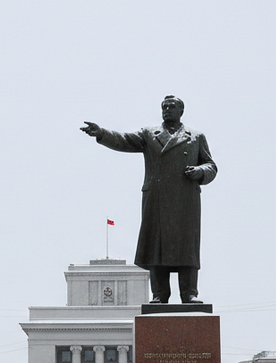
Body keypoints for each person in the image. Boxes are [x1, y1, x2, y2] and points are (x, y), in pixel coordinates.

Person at [80, 95, 217, 303]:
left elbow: (211, 166)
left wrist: (200, 171)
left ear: (181, 111)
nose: (167, 110)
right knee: (156, 246)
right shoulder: (149, 134)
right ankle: (159, 294)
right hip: (157, 199)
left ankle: (189, 293)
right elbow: (124, 140)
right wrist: (102, 133)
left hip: (185, 201)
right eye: (164, 107)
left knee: (187, 248)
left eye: (171, 107)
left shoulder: (196, 137)